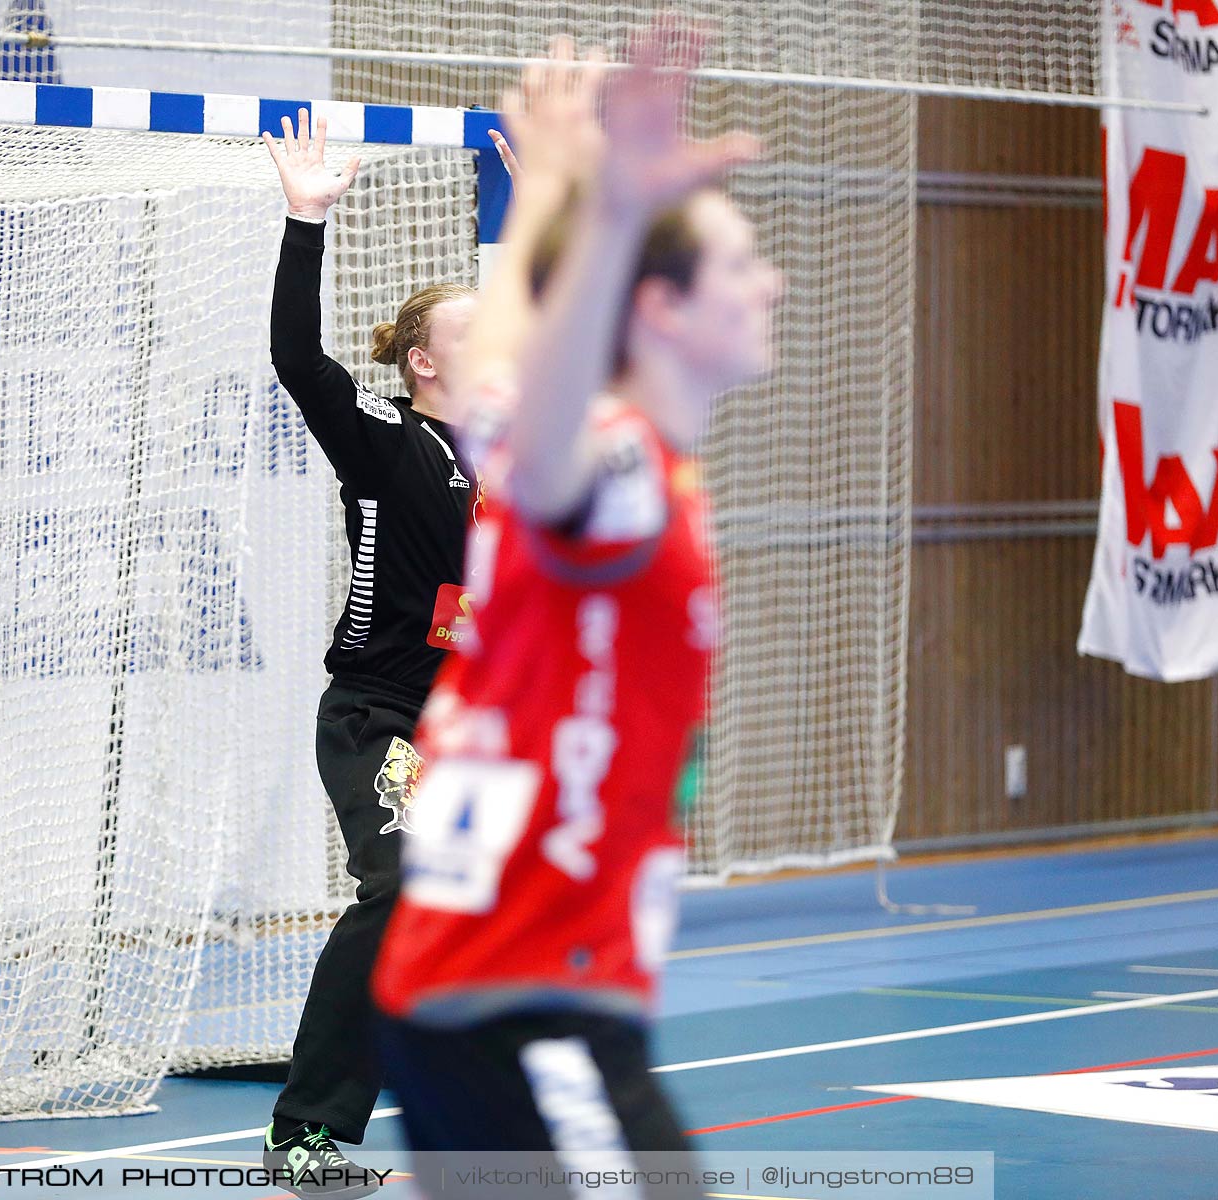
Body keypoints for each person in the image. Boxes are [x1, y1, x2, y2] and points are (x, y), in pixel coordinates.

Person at [371, 25, 778, 1197]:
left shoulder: (591, 452)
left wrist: (545, 183)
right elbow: (543, 444)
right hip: (526, 994)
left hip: (473, 983)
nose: (773, 284)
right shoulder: (609, 468)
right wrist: (602, 213)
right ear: (659, 306)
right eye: (742, 265)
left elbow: (499, 378)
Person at [258, 107, 485, 1198]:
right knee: (399, 883)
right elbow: (301, 359)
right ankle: (306, 1135)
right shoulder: (390, 443)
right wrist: (308, 224)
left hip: (468, 729)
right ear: (432, 363)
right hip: (378, 716)